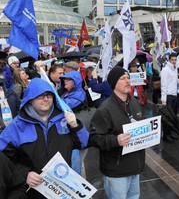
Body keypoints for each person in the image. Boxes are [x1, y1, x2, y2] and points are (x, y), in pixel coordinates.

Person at [0, 78, 89, 198]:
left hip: (63, 188)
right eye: (40, 96)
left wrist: (75, 126)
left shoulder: (65, 119)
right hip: (34, 191)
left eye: (49, 95)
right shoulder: (16, 127)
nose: (46, 99)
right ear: (30, 99)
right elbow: (4, 159)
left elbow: (84, 143)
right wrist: (24, 174)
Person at [89, 66, 145, 199]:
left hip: (135, 166)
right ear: (114, 83)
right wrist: (116, 140)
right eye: (123, 78)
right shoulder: (105, 109)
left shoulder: (135, 103)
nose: (127, 81)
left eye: (128, 77)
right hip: (117, 170)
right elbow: (94, 138)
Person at [160, 54, 179, 142]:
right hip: (168, 96)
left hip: (174, 96)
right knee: (167, 117)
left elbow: (174, 83)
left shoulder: (174, 69)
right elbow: (164, 85)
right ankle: (166, 135)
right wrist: (163, 99)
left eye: (175, 60)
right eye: (172, 60)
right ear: (169, 60)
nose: (174, 61)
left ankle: (170, 133)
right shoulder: (165, 70)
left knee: (173, 116)